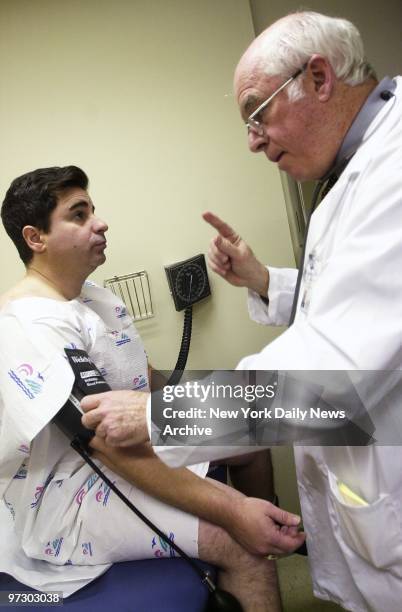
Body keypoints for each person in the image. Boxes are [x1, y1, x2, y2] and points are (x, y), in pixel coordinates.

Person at [80, 11, 402, 612]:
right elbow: (357, 299)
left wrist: (159, 417)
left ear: (319, 77)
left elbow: (331, 378)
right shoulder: (351, 170)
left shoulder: (393, 171)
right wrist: (266, 282)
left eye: (258, 113)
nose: (252, 139)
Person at [0, 165, 305, 611]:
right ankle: (257, 547)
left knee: (251, 430)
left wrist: (213, 410)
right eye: (79, 214)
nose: (100, 223)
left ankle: (274, 528)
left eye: (93, 210)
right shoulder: (26, 325)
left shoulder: (95, 297)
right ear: (35, 237)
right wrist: (233, 511)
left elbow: (143, 379)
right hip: (73, 488)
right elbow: (104, 443)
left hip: (131, 443)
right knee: (240, 542)